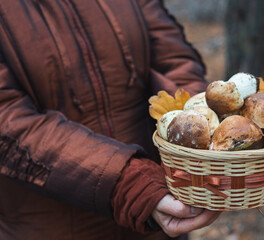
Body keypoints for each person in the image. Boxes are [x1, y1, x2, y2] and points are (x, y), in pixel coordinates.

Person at [0, 0, 220, 239]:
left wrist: (198, 134)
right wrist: (128, 184)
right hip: (54, 226)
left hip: (157, 208)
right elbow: (9, 122)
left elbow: (175, 61)